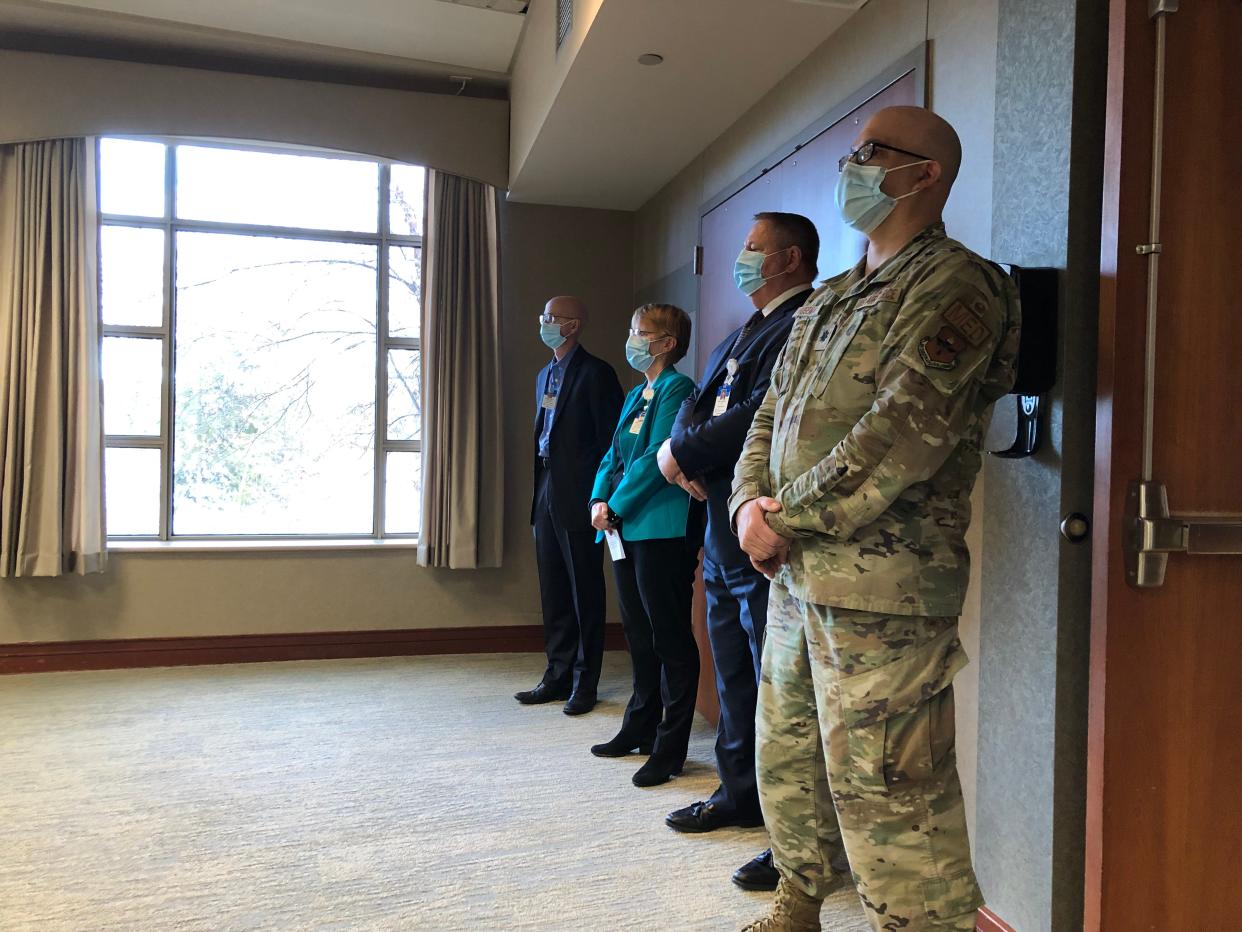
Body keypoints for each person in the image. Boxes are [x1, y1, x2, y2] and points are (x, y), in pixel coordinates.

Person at [732, 106, 1021, 932]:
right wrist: (749, 502)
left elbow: (902, 433)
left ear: (924, 174)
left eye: (868, 153)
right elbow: (767, 413)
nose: (850, 167)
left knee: (891, 792)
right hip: (797, 576)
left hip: (883, 591)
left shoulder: (959, 287)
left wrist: (784, 516)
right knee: (789, 758)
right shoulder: (830, 298)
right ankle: (797, 905)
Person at [657, 213, 819, 894]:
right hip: (719, 529)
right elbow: (696, 406)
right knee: (733, 677)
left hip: (764, 536)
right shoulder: (744, 329)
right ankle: (737, 793)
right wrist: (678, 449)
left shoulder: (804, 323)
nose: (741, 260)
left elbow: (757, 412)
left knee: (778, 689)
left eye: (752, 250)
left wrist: (683, 452)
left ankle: (790, 842)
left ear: (788, 258)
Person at [588, 303, 699, 788]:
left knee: (669, 635)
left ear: (667, 343)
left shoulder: (678, 389)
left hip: (659, 526)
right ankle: (639, 724)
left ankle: (671, 745)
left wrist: (617, 505)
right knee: (637, 631)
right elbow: (613, 453)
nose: (632, 338)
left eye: (640, 332)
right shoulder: (637, 392)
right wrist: (597, 499)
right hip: (621, 526)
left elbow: (659, 458)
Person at [517, 296, 623, 716]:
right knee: (554, 589)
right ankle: (556, 674)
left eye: (551, 318)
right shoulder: (545, 374)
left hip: (581, 494)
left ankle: (585, 681)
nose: (543, 322)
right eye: (541, 315)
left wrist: (601, 494)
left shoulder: (597, 373)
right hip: (545, 487)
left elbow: (609, 443)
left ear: (573, 325)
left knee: (584, 590)